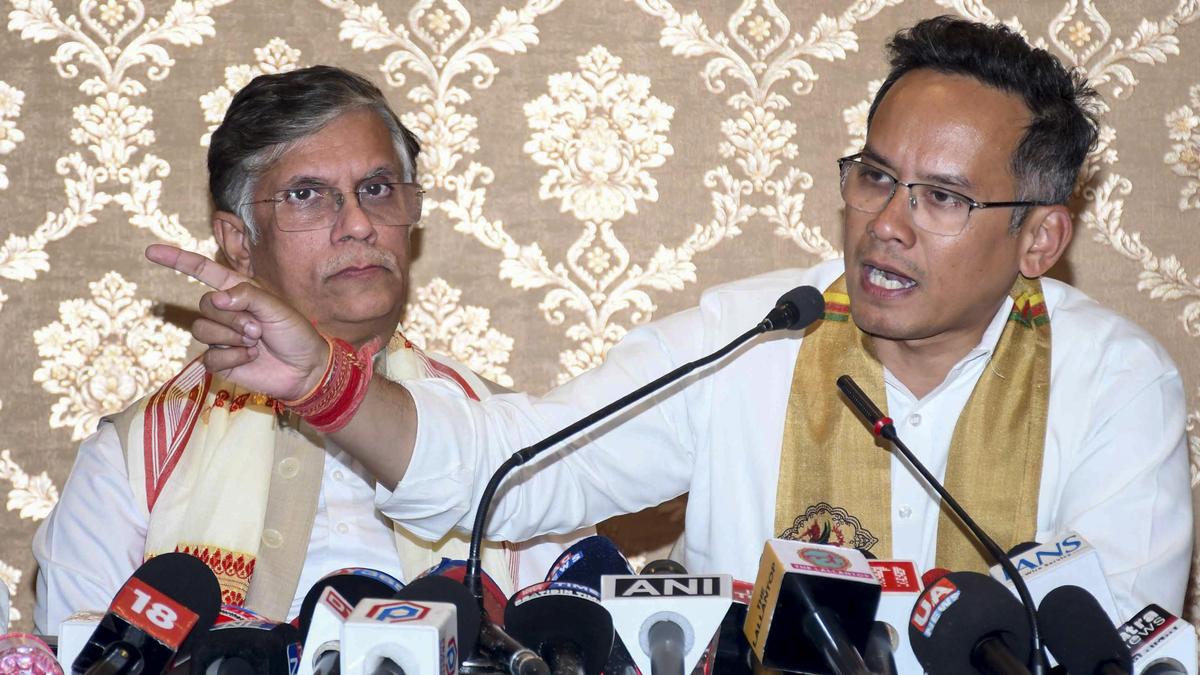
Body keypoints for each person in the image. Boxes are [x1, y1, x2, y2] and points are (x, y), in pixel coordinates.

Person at [143, 17, 1192, 619]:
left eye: (944, 197)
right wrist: (325, 381)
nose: (887, 222)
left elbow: (1114, 637)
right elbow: (515, 467)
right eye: (875, 175)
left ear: (1041, 237)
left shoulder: (1112, 382)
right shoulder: (758, 334)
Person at [33, 66, 576, 632]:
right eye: (307, 195)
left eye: (377, 189)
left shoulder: (510, 443)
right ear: (239, 241)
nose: (358, 224)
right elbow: (83, 658)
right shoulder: (133, 460)